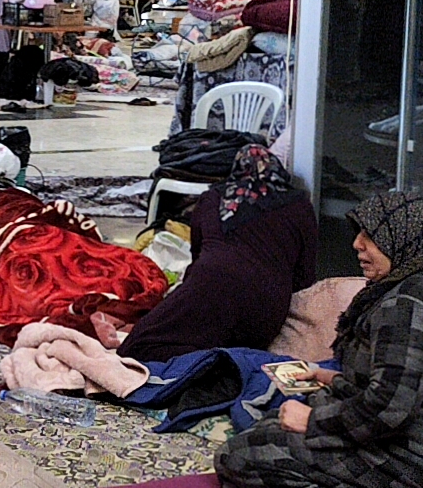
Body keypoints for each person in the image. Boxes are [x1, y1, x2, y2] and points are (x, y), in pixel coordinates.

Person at [215, 192, 423, 488]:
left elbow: (387, 411)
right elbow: (409, 385)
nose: (357, 244)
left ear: (401, 238)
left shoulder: (407, 305)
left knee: (238, 458)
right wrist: (328, 380)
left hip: (422, 464)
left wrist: (312, 422)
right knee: (271, 425)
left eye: (370, 236)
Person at [118, 146, 319, 362]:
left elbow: (197, 258)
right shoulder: (300, 205)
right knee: (240, 349)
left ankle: (197, 368)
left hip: (211, 284)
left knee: (138, 345)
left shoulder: (213, 198)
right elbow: (304, 275)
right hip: (268, 302)